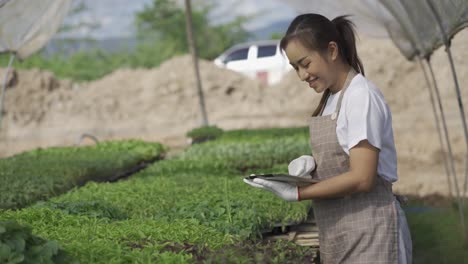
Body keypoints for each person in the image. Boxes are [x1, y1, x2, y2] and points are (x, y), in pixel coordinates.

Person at [244, 14, 412, 263]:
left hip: (372, 231)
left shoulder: (360, 96)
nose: (302, 75)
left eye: (305, 63)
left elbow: (362, 178)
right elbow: (344, 155)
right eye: (295, 68)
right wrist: (312, 166)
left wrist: (300, 192)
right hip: (343, 231)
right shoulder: (332, 98)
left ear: (332, 50)